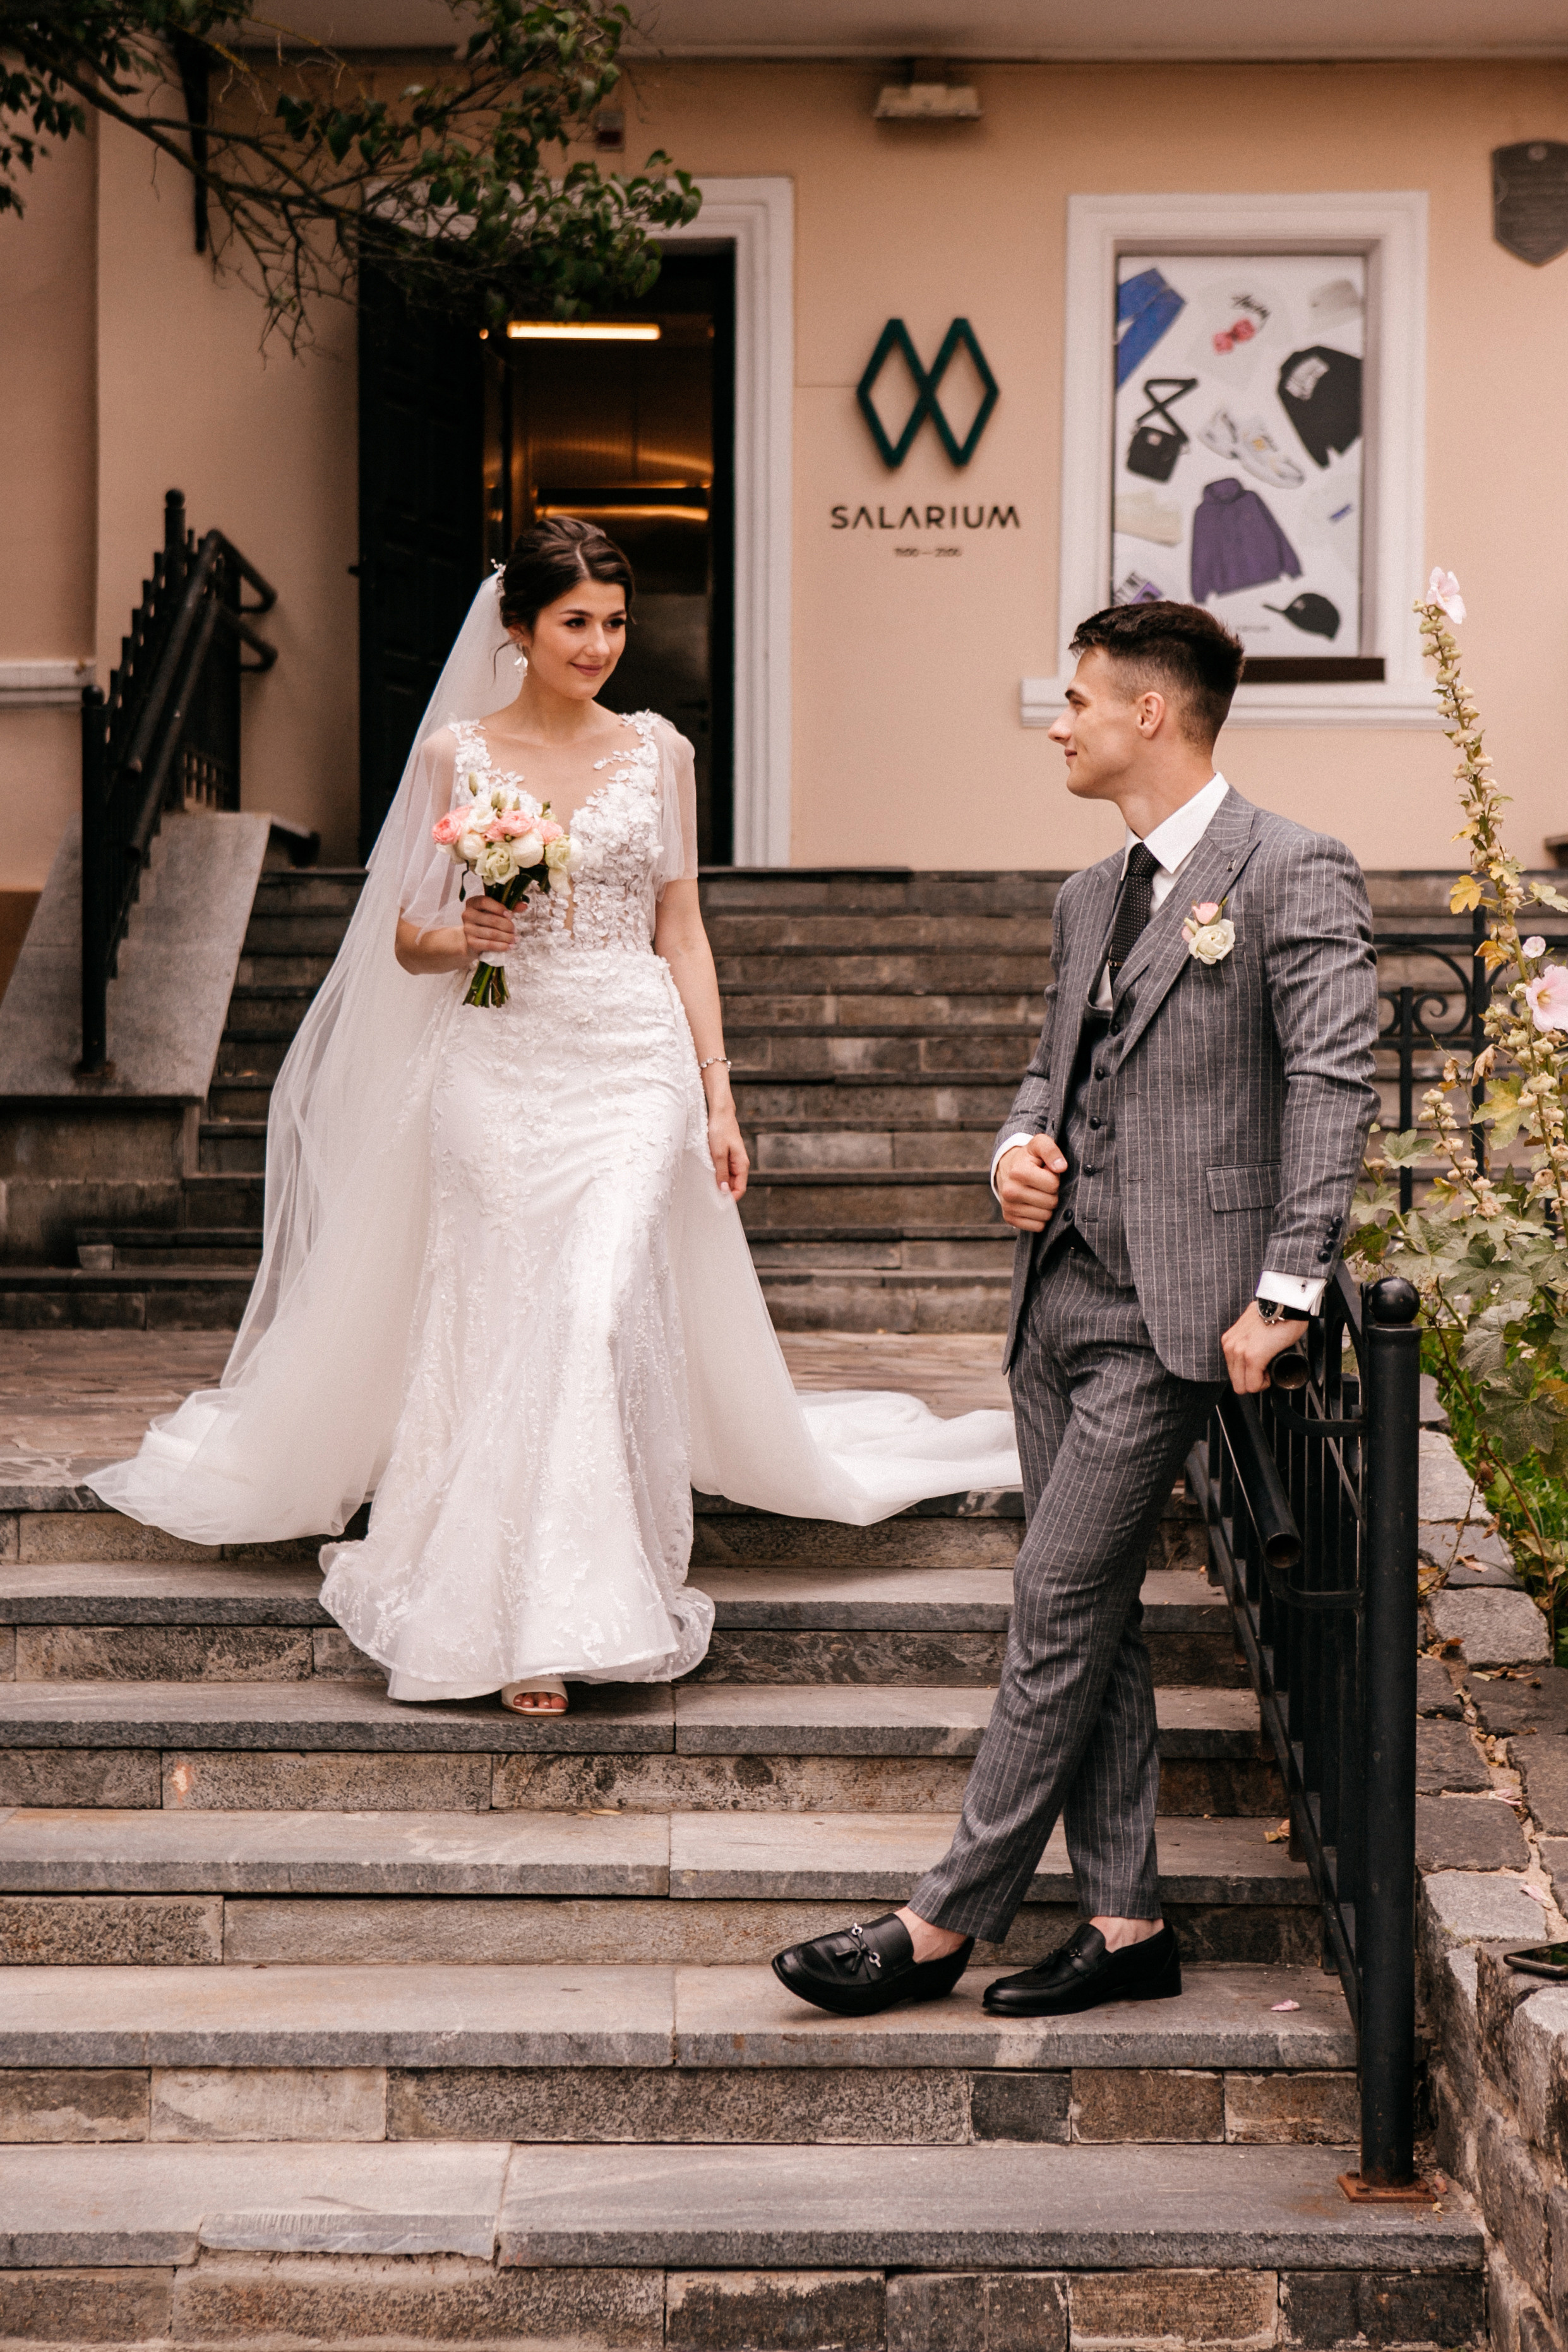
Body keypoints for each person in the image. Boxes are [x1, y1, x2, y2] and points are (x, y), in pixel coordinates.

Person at [90, 519, 1019, 1712]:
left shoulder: (659, 753)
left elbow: (680, 930)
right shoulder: (455, 755)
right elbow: (405, 939)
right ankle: (497, 1603)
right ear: (518, 628)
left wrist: (718, 1091)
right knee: (502, 1311)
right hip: (496, 1054)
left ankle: (576, 1603)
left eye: (616, 622)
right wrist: (462, 934)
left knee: (586, 1305)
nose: (599, 644)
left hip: (631, 1061)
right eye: (576, 621)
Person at [772, 598, 1379, 2019]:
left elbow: (1337, 1084)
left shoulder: (1293, 868)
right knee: (1089, 1608)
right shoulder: (1085, 895)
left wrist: (1288, 1286)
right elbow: (1047, 1076)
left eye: (1081, 700)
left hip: (1181, 1314)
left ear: (1152, 713)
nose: (1060, 720)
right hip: (1058, 1301)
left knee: (1051, 1594)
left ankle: (938, 1922)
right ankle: (1125, 1920)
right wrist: (1013, 1153)